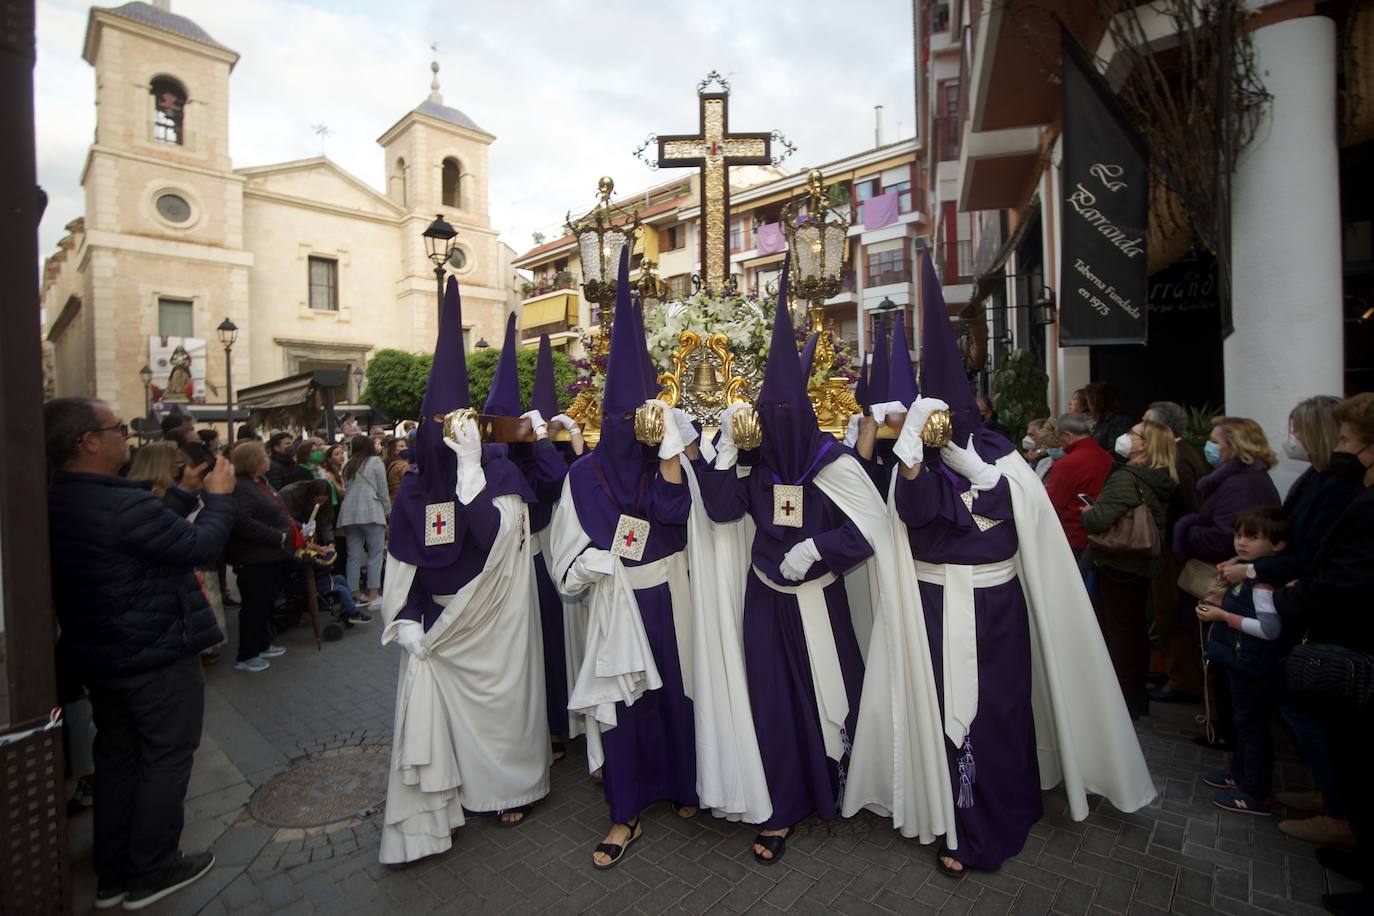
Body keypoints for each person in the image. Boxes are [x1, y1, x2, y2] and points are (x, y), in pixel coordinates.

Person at [845, 252, 1155, 877]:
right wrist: (908, 465)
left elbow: (1022, 516)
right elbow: (911, 516)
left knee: (1000, 709)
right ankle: (951, 810)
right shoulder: (912, 461)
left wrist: (983, 477)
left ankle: (1001, 808)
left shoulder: (1001, 455)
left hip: (996, 605)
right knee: (940, 709)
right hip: (933, 604)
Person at [696, 273, 888, 865]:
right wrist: (726, 455)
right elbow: (723, 512)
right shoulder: (753, 466)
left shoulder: (831, 462)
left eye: (787, 409)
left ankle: (838, 784)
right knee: (772, 702)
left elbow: (870, 530)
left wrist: (821, 549)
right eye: (767, 410)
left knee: (830, 691)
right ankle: (782, 805)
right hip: (766, 598)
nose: (776, 419)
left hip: (819, 600)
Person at [377, 276, 549, 863]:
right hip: (441, 626)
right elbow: (402, 564)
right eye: (435, 431)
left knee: (500, 717)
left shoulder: (497, 473)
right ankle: (453, 792)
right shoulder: (414, 489)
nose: (444, 442)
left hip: (495, 624)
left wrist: (473, 473)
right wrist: (404, 620)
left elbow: (501, 542)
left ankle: (511, 789)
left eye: (455, 429)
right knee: (446, 721)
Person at [46, 396, 236, 910]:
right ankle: (152, 869)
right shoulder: (117, 503)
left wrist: (178, 496)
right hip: (152, 653)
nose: (123, 438)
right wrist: (218, 499)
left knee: (119, 757)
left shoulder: (65, 497)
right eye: (114, 430)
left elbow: (139, 539)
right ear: (87, 442)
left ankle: (114, 872)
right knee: (165, 757)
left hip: (106, 655)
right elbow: (199, 547)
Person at [549, 251, 700, 869]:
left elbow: (676, 518)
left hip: (668, 595)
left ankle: (682, 786)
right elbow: (563, 558)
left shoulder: (661, 461)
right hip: (615, 603)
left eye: (634, 422)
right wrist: (590, 568)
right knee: (626, 708)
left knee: (677, 694)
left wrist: (667, 451)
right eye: (618, 422)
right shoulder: (580, 477)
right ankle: (625, 814)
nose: (623, 433)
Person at [1231, 396, 1361, 845]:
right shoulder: (1320, 479)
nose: (1295, 439)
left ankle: (1340, 809)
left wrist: (1257, 571)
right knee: (1299, 708)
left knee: (1305, 710)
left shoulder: (1341, 488)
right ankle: (1326, 792)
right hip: (1297, 601)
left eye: (1301, 431)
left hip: (1312, 611)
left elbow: (1311, 551)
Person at [1271, 393, 1374, 916]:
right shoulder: (1330, 481)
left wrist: (1290, 590)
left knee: (1335, 726)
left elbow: (1340, 566)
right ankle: (1338, 807)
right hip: (1321, 613)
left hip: (1342, 630)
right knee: (1323, 724)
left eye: (1348, 433)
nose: (1342, 441)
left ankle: (1342, 814)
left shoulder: (1347, 489)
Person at [484, 320, 584, 763]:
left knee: (548, 645)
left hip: (538, 558)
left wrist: (545, 444)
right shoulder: (484, 464)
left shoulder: (537, 457)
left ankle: (555, 727)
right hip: (499, 571)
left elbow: (562, 487)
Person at [1080, 421, 1178, 718]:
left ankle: (1122, 700)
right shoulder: (1160, 476)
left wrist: (1089, 512)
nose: (1125, 437)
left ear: (1144, 444)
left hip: (1118, 561)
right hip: (1141, 562)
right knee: (1134, 630)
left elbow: (1099, 521)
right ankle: (1134, 696)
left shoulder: (1127, 477)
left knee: (1120, 630)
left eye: (1133, 433)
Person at [1196, 507, 1289, 816]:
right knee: (1242, 720)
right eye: (1238, 535)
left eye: (1252, 537)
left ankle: (1255, 791)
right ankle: (1239, 773)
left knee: (1252, 726)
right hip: (1239, 660)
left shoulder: (1262, 583)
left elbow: (1268, 628)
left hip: (1253, 662)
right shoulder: (1246, 571)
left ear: (1278, 545)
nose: (1242, 543)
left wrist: (1224, 616)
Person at [1142, 401, 1207, 704]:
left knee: (1172, 615)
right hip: (1170, 550)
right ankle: (1174, 671)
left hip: (1174, 555)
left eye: (1147, 423)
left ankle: (1183, 680)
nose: (1141, 429)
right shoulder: (1176, 456)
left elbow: (1190, 510)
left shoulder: (1179, 462)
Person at [225, 441, 296, 672]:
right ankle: (247, 654)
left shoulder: (261, 483)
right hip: (255, 558)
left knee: (265, 604)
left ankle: (262, 643)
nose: (268, 461)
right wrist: (276, 536)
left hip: (271, 556)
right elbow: (242, 522)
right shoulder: (242, 487)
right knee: (253, 606)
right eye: (264, 457)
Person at [1043, 412, 1113, 591]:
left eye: (1059, 437)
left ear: (1068, 435)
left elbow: (1052, 502)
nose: (1059, 443)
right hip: (1102, 532)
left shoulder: (1068, 464)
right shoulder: (1106, 457)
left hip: (1074, 534)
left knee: (1076, 590)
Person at [338, 435, 390, 607]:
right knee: (375, 554)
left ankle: (354, 593)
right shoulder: (375, 462)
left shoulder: (347, 465)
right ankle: (374, 594)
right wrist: (388, 512)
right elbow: (383, 490)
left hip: (349, 512)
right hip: (371, 510)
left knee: (353, 554)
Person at [1082, 381, 1134, 454]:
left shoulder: (1120, 421)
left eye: (1088, 401)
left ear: (1096, 401)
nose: (1088, 405)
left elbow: (1116, 452)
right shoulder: (1102, 421)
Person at [382, 437, 409, 503]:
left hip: (391, 500)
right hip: (402, 500)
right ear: (394, 450)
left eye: (405, 446)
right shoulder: (402, 465)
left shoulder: (386, 463)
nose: (406, 448)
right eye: (402, 446)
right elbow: (408, 484)